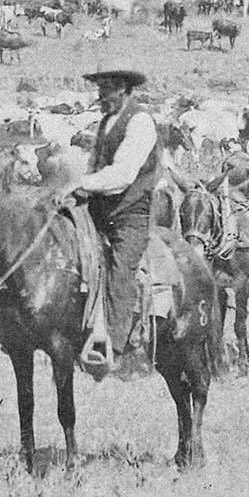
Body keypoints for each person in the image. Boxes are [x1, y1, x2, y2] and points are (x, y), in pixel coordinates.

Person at [69, 66, 160, 375]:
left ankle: (115, 349)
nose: (101, 96)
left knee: (121, 270)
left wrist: (85, 184)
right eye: (99, 89)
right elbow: (94, 167)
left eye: (107, 89)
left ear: (124, 89)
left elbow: (123, 175)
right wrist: (75, 188)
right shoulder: (106, 122)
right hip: (101, 207)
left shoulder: (141, 122)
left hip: (131, 212)